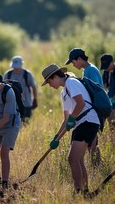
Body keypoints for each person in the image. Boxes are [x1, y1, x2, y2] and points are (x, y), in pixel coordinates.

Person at [41, 64, 100, 195]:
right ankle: (85, 191)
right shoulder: (64, 93)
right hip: (81, 124)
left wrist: (73, 119)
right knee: (78, 160)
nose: (50, 85)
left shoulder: (71, 83)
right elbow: (67, 119)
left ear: (55, 77)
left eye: (49, 81)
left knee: (72, 159)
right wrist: (56, 138)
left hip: (88, 121)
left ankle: (78, 191)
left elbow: (81, 104)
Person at [65, 47, 103, 165]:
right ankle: (95, 165)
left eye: (73, 61)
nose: (72, 64)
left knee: (92, 143)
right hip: (93, 109)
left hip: (95, 109)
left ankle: (97, 166)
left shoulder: (89, 70)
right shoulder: (87, 70)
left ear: (80, 58)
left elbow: (94, 90)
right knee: (91, 142)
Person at [3, 55, 38, 122]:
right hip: (12, 103)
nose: (16, 68)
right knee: (13, 122)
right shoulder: (8, 74)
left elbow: (34, 87)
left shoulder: (27, 74)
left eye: (17, 66)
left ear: (21, 65)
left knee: (26, 122)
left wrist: (35, 99)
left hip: (26, 103)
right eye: (14, 66)